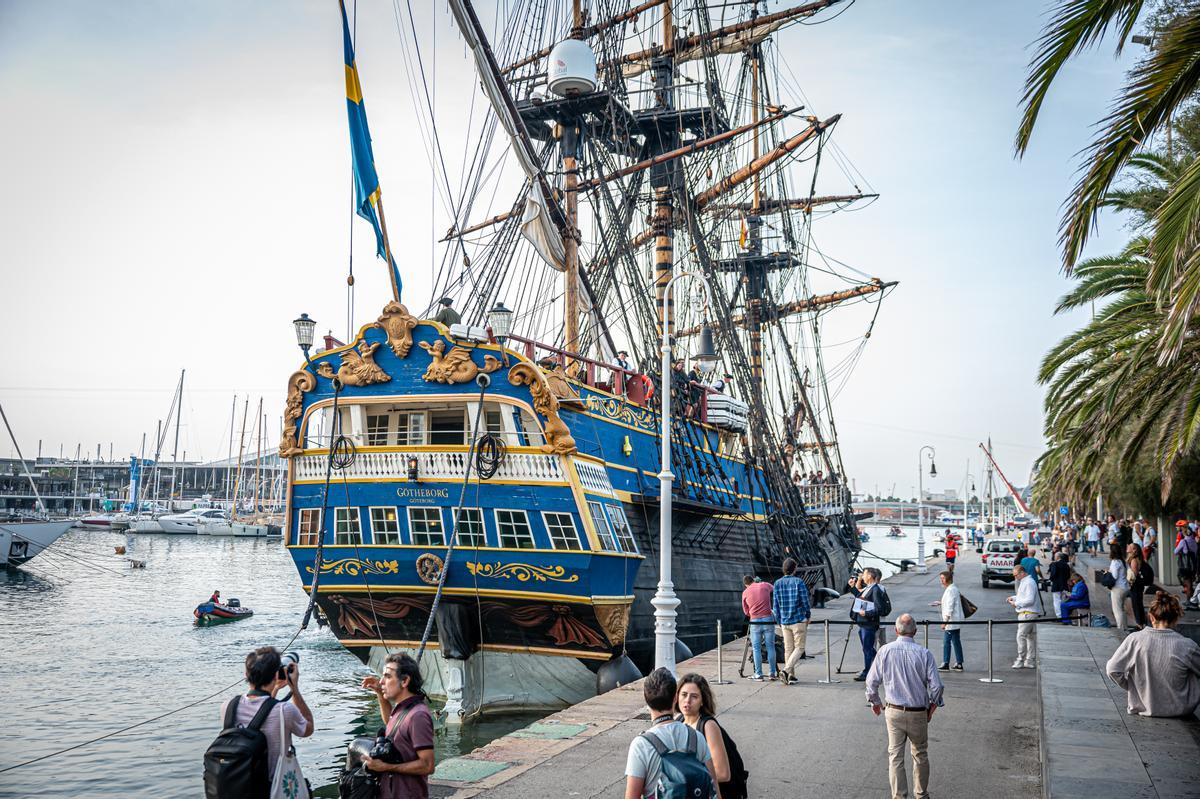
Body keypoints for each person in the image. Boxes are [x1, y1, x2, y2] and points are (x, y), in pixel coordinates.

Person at [864, 614, 945, 799]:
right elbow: (937, 686)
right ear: (915, 631)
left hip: (893, 710)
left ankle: (900, 796)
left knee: (895, 756)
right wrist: (933, 705)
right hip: (918, 712)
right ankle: (921, 794)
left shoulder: (885, 651)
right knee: (920, 754)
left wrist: (875, 702)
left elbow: (871, 682)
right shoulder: (924, 653)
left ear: (896, 630)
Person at [218, 647, 314, 784]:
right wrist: (294, 688)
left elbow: (260, 713)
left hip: (237, 785)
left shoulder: (227, 707)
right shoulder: (284, 710)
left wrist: (274, 689)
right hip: (271, 789)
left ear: (246, 674)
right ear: (276, 675)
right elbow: (308, 728)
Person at [624, 668, 718, 799]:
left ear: (645, 699)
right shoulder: (696, 737)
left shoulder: (641, 745)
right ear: (675, 698)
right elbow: (714, 792)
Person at [1105, 592, 1200, 717]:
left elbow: (1112, 669)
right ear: (1176, 619)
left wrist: (1133, 687)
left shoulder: (1135, 639)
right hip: (1180, 709)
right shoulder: (1188, 646)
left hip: (1143, 706)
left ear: (1151, 617)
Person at [361, 653, 436, 798]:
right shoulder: (403, 709)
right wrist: (378, 692)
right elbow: (392, 726)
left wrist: (386, 767)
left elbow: (428, 765)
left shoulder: (417, 716)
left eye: (388, 676)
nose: (381, 681)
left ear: (405, 681)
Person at [675, 673, 746, 799]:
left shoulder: (708, 726)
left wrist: (684, 777)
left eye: (694, 696)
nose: (687, 701)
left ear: (702, 701)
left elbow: (723, 774)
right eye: (684, 695)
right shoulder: (679, 720)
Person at [771, 558, 811, 685]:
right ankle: (786, 670)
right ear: (794, 569)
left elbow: (775, 604)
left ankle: (791, 676)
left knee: (788, 649)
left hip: (784, 621)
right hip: (798, 619)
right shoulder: (798, 582)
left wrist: (778, 620)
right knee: (799, 647)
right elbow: (805, 601)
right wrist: (808, 615)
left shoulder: (777, 583)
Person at [741, 575, 776, 681]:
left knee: (756, 648)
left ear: (745, 584)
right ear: (753, 580)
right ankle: (772, 673)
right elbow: (774, 589)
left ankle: (758, 674)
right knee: (770, 646)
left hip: (755, 621)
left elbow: (746, 611)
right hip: (768, 619)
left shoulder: (745, 592)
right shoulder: (765, 585)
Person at [852, 568, 885, 681]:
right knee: (868, 648)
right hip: (863, 623)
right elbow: (860, 599)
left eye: (864, 574)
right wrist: (853, 588)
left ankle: (867, 672)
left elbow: (879, 608)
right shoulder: (868, 588)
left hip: (868, 624)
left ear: (870, 576)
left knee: (867, 648)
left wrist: (866, 613)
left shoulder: (875, 590)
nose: (863, 576)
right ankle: (880, 667)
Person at [1006, 564, 1038, 669]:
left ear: (1022, 573)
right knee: (1029, 637)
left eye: (1016, 575)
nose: (1015, 577)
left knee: (1021, 636)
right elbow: (1024, 596)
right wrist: (1014, 598)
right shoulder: (1026, 582)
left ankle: (1021, 659)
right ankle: (1029, 660)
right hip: (1028, 613)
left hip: (1027, 613)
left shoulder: (1028, 582)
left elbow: (1030, 600)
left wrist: (1016, 603)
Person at [935, 570, 964, 671]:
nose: (941, 581)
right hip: (955, 620)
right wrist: (941, 602)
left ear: (948, 579)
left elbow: (950, 607)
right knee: (956, 641)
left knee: (946, 642)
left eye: (943, 579)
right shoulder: (953, 588)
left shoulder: (951, 590)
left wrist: (945, 622)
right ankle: (959, 663)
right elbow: (950, 603)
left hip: (951, 621)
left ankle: (946, 663)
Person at [1107, 542, 1131, 632]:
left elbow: (1115, 576)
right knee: (1121, 609)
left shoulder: (1115, 562)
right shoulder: (1122, 561)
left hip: (1118, 588)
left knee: (1117, 610)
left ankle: (1120, 629)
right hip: (1125, 587)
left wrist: (1107, 573)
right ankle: (1125, 627)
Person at [1127, 552, 1154, 630]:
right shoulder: (1138, 560)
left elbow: (1134, 576)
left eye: (1130, 547)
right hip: (1139, 585)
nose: (1128, 547)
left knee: (1136, 604)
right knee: (1138, 604)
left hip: (1136, 585)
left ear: (1134, 550)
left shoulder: (1134, 560)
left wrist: (1130, 583)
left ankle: (1140, 624)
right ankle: (1142, 624)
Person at [1174, 525, 1197, 601]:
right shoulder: (1194, 542)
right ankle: (1191, 598)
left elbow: (1175, 552)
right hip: (1193, 565)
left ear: (1184, 533)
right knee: (1190, 582)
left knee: (1188, 584)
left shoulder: (1183, 541)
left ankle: (1189, 601)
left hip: (1185, 566)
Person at [1047, 551, 1072, 620]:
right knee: (1063, 600)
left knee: (1056, 600)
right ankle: (1064, 614)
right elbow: (1068, 575)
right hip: (1064, 584)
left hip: (1056, 585)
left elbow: (1053, 574)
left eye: (1055, 556)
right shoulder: (1066, 564)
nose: (1054, 557)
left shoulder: (1055, 564)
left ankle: (1059, 616)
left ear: (1058, 557)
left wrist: (1051, 579)